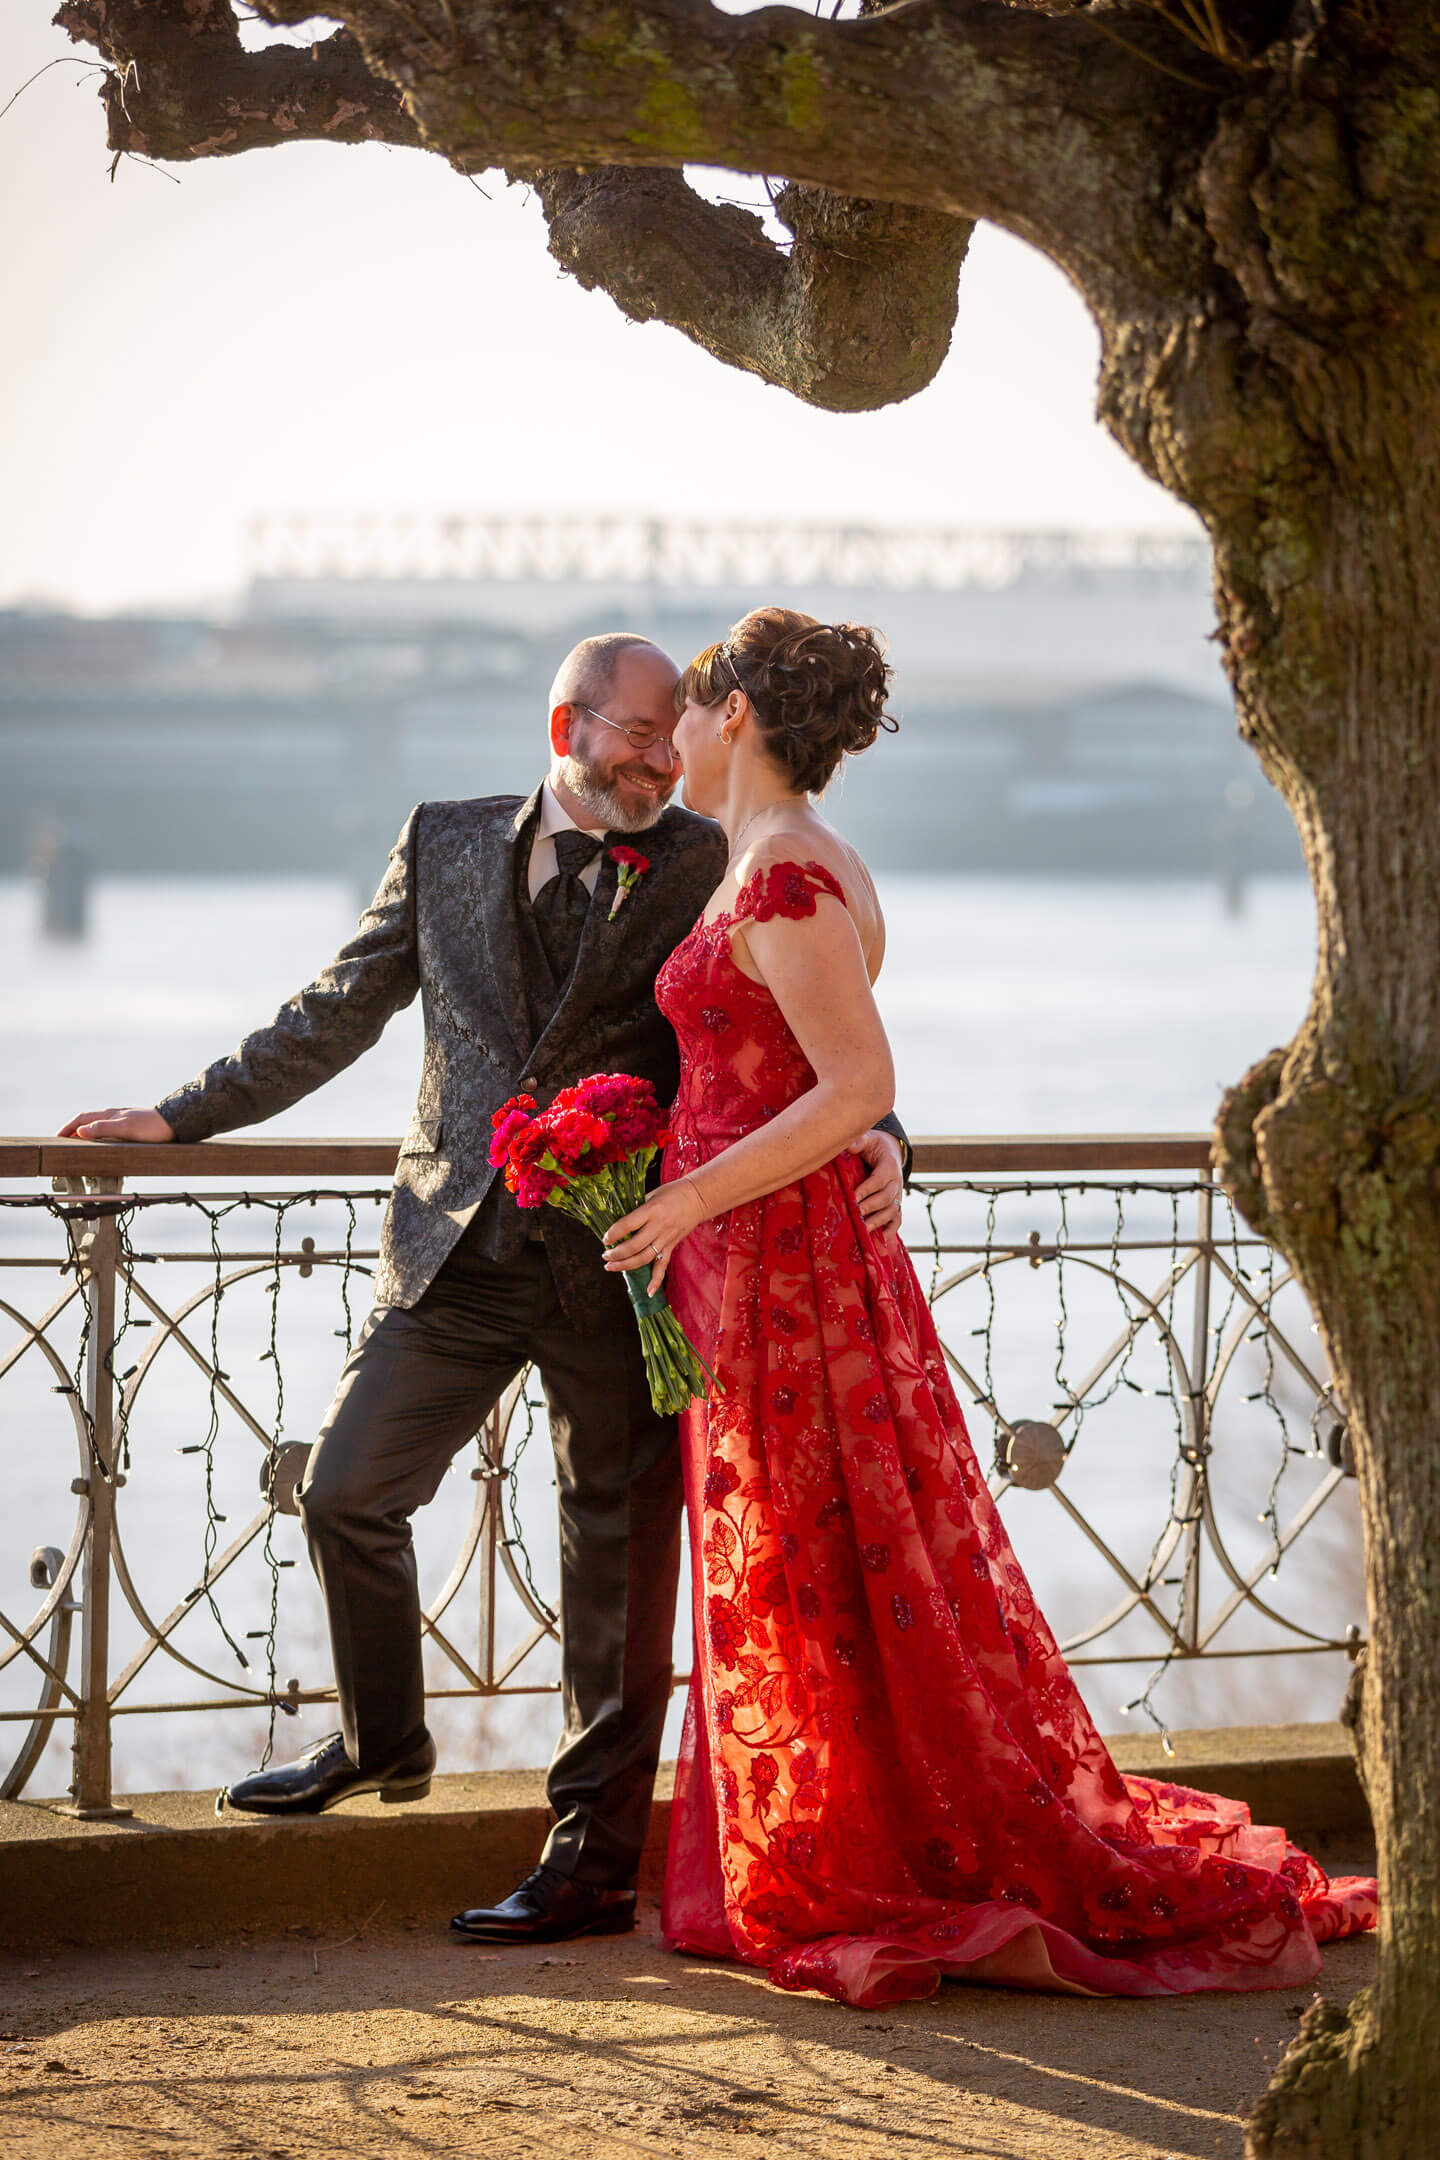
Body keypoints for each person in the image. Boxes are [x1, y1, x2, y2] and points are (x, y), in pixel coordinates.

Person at [57, 629, 909, 1947]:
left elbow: (803, 1034)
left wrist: (888, 1133)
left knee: (617, 1570)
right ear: (567, 729)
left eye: (670, 734)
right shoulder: (444, 839)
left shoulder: (717, 855)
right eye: (637, 735)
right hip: (452, 1252)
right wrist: (181, 1117)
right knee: (347, 1490)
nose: (658, 759)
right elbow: (337, 1010)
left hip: (625, 1269)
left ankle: (589, 1867)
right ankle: (379, 1741)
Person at [600, 607, 1377, 2006]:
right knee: (813, 1560)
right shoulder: (768, 863)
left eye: (693, 711)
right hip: (764, 1266)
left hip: (787, 1277)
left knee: (816, 1557)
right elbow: (812, 1085)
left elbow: (858, 1083)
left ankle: (865, 1855)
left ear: (736, 717)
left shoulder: (787, 874)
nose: (676, 740)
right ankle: (842, 1830)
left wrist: (692, 1196)